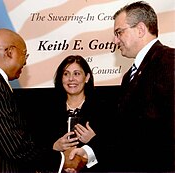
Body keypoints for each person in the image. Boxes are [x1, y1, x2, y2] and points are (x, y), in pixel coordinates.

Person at [0, 28, 64, 173]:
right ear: (10, 52)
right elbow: (14, 146)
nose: (25, 62)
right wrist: (61, 161)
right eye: (25, 55)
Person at [111, 1, 174, 171]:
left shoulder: (169, 62)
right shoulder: (128, 77)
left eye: (119, 32)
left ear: (140, 29)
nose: (115, 40)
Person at [52, 55, 113, 172]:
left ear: (87, 77)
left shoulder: (104, 109)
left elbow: (113, 146)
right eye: (66, 74)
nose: (71, 79)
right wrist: (55, 147)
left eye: (77, 74)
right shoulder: (47, 110)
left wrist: (93, 140)